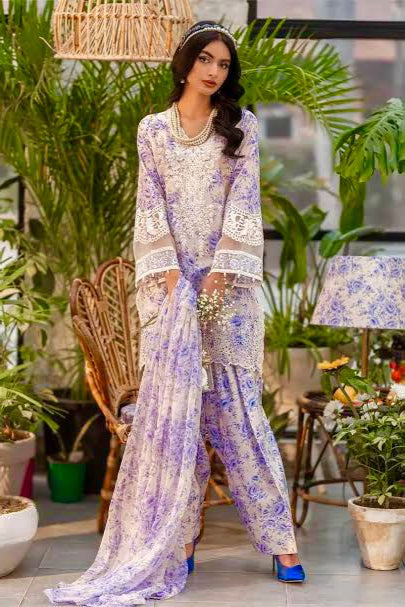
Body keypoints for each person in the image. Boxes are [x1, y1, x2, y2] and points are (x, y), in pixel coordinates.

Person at [44, 20, 304, 607]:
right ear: (185, 63)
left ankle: (282, 544)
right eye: (205, 59)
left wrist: (219, 273)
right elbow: (150, 205)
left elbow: (245, 204)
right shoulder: (153, 131)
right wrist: (170, 279)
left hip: (229, 291)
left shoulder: (241, 128)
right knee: (175, 423)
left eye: (223, 64)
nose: (214, 71)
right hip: (169, 293)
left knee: (240, 417)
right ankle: (178, 539)